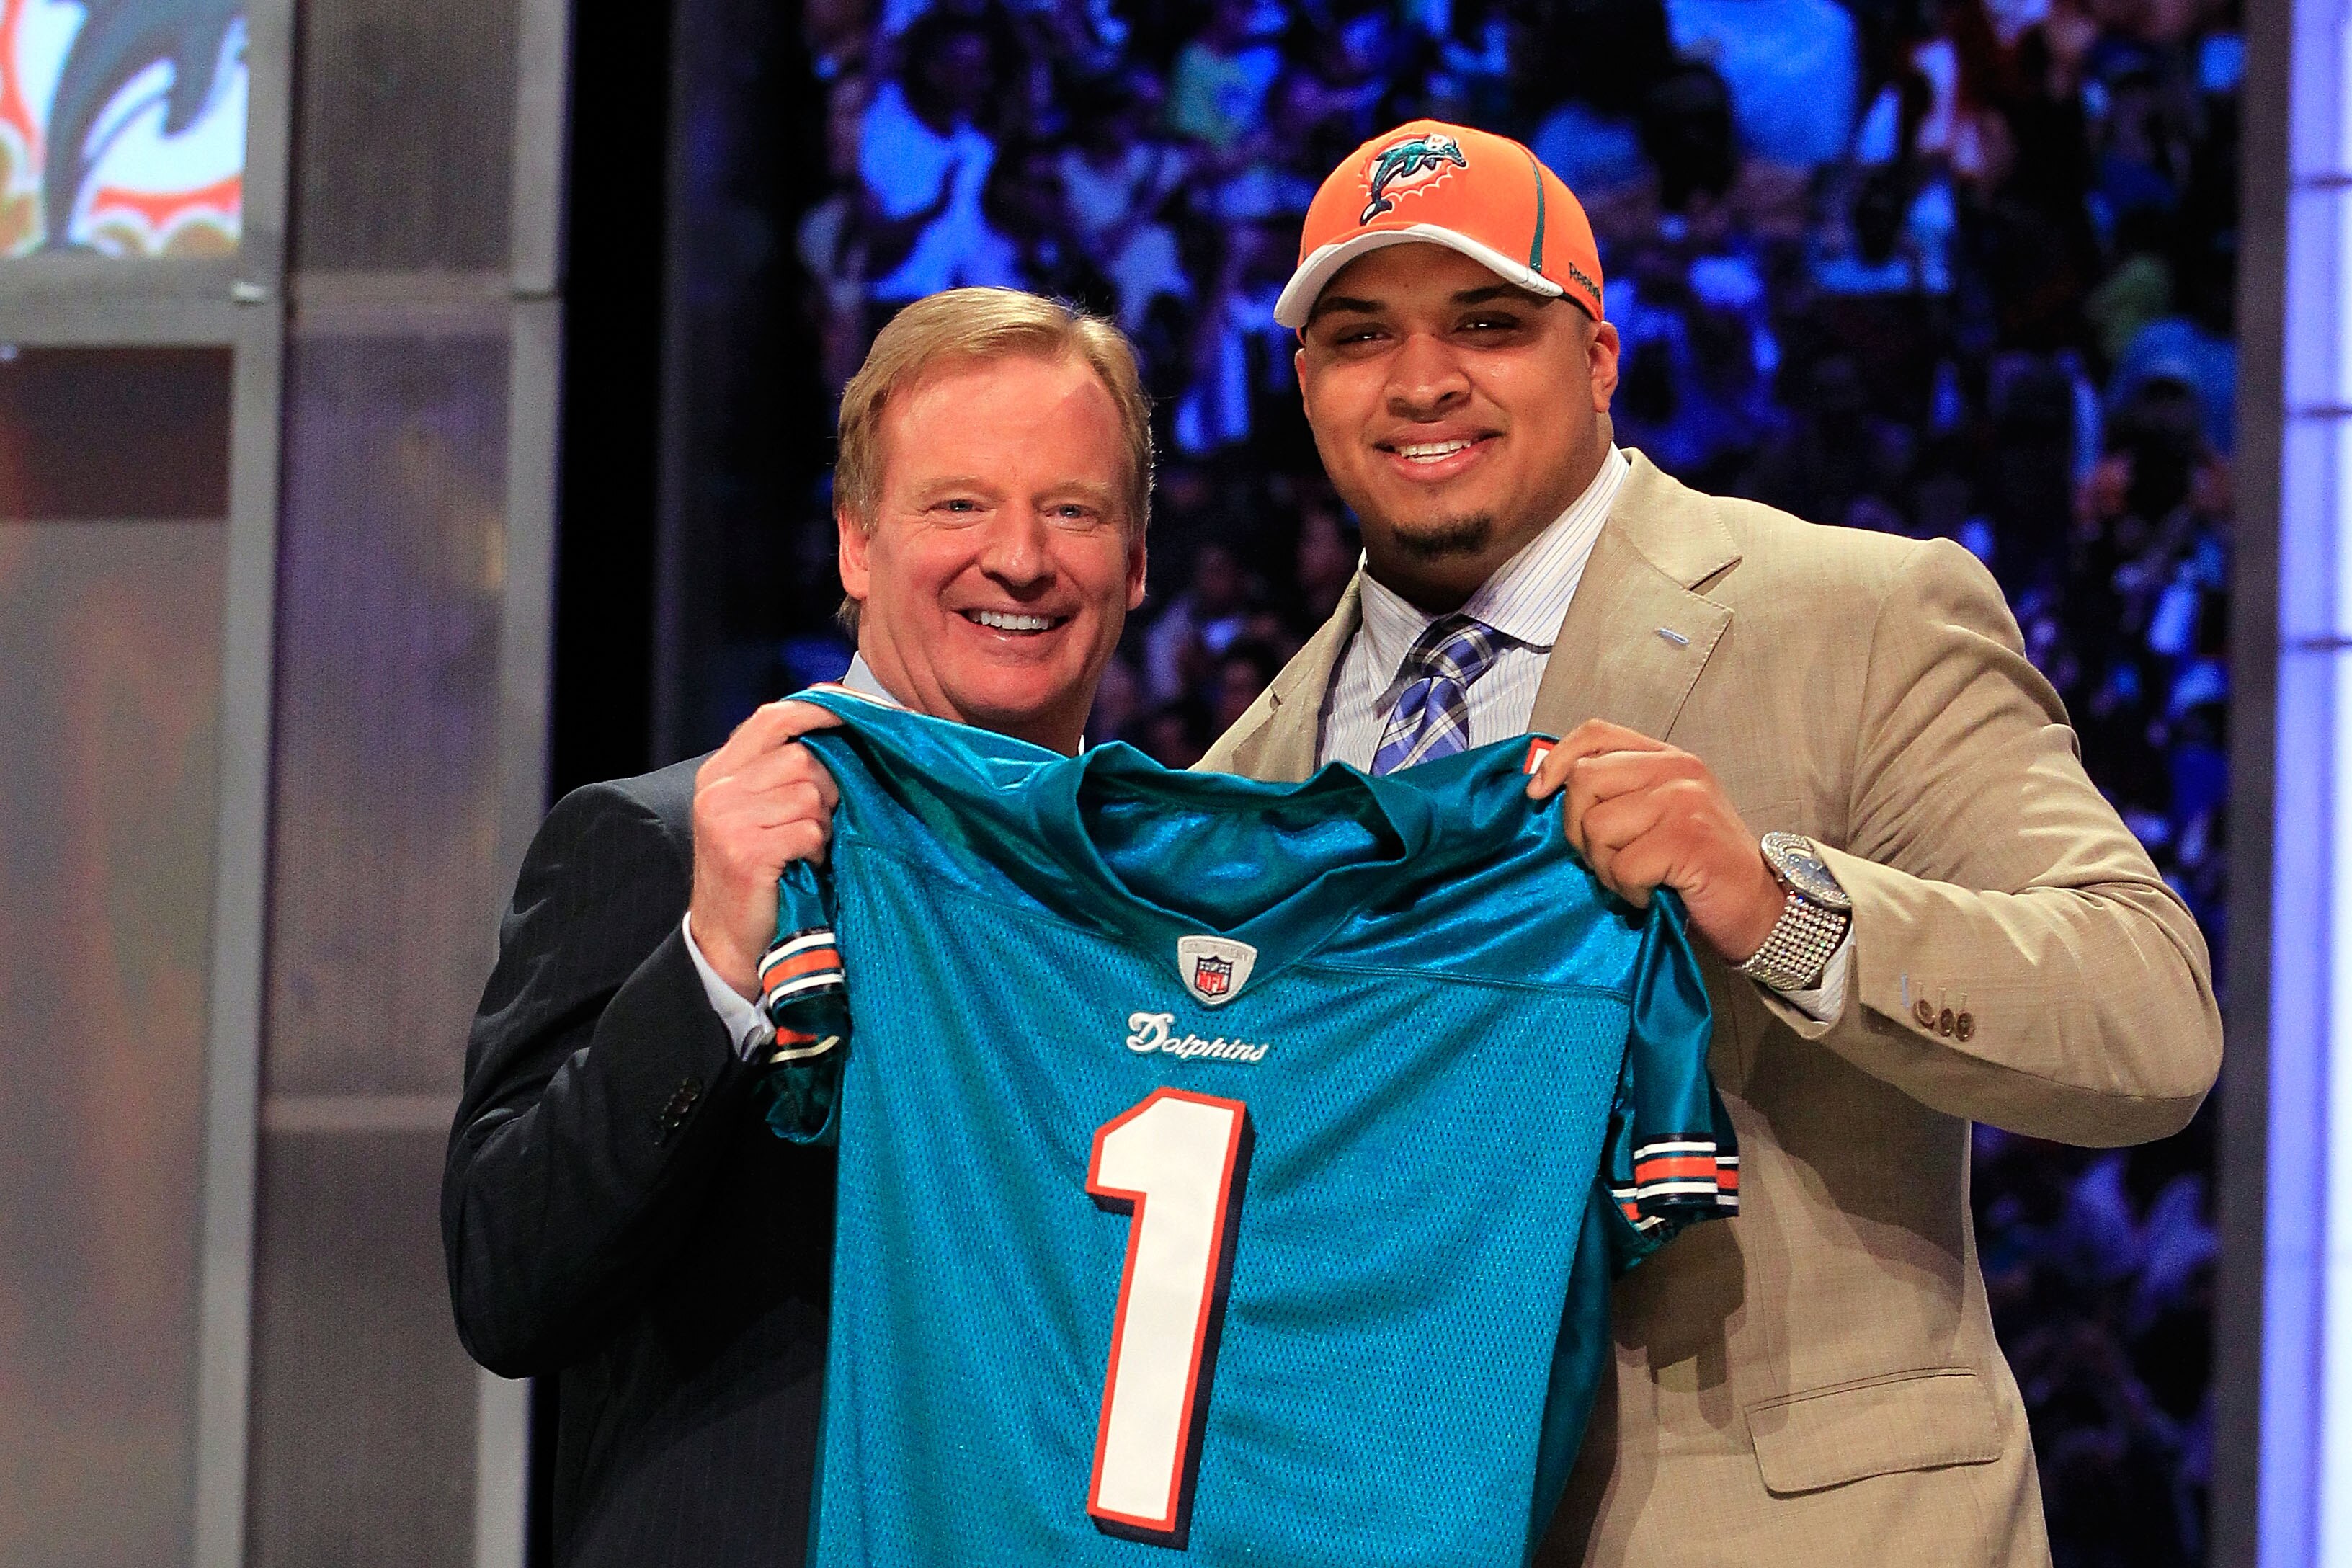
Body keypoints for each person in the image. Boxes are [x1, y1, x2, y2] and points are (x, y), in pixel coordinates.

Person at [1203, 120, 2222, 1566]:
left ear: (1598, 356)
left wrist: (1780, 909)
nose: (1422, 379)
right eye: (1361, 335)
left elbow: (2150, 1017)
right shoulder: (1244, 779)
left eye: (1487, 322)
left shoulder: (1862, 617)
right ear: (1306, 384)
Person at [441, 288, 1150, 1568]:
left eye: (1073, 510)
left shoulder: (1166, 915)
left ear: (1136, 561)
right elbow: (507, 1284)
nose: (1020, 558)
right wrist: (712, 967)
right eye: (958, 505)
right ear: (857, 544)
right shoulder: (657, 846)